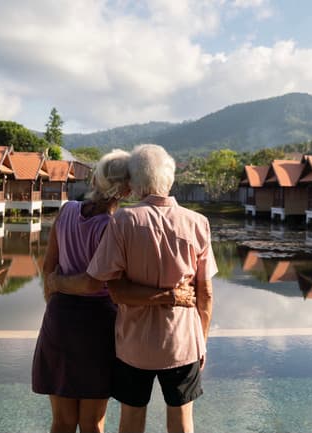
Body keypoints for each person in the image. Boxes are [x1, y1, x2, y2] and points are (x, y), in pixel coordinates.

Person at [47, 144, 215, 433]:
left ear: (135, 185)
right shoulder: (198, 223)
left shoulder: (123, 221)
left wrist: (56, 283)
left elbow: (113, 289)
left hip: (133, 346)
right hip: (184, 342)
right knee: (182, 421)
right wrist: (202, 338)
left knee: (131, 420)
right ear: (171, 178)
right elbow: (206, 293)